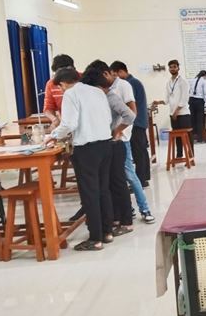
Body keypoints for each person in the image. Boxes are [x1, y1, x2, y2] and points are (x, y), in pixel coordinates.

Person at [46, 68, 114, 251]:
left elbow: (69, 124)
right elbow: (108, 118)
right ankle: (107, 232)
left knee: (90, 193)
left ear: (64, 83)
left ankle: (95, 238)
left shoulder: (71, 94)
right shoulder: (97, 91)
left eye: (59, 87)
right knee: (103, 189)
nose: (60, 91)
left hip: (87, 149)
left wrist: (52, 135)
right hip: (105, 144)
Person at [88, 60, 155, 224]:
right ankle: (125, 210)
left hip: (122, 138)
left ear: (108, 73)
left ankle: (145, 209)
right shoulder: (102, 90)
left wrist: (119, 130)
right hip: (107, 140)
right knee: (115, 179)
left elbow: (132, 111)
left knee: (130, 175)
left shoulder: (123, 86)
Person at [81, 67, 135, 237]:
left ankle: (127, 221)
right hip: (106, 145)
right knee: (109, 185)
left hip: (114, 144)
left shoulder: (110, 96)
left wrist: (117, 131)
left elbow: (130, 115)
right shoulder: (100, 96)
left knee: (118, 183)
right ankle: (116, 218)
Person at [109, 61, 151, 186]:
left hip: (135, 122)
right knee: (141, 151)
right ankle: (144, 178)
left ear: (121, 72)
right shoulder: (134, 82)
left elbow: (129, 106)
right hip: (139, 121)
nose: (114, 79)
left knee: (138, 152)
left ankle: (140, 180)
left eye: (115, 75)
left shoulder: (129, 83)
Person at [153, 59, 192, 157]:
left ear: (178, 68)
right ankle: (179, 154)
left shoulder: (183, 82)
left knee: (187, 136)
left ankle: (190, 154)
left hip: (183, 114)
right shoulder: (168, 83)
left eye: (174, 67)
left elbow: (184, 99)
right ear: (169, 69)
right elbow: (167, 100)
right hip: (173, 114)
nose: (172, 69)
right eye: (170, 67)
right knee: (177, 136)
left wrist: (176, 112)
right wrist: (159, 102)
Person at [43, 54, 77, 129]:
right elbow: (48, 108)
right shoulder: (51, 84)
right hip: (66, 125)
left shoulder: (83, 80)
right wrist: (54, 120)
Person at [188, 70, 206, 143]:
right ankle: (200, 138)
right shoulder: (204, 81)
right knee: (200, 120)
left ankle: (192, 138)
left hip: (191, 101)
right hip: (199, 102)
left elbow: (189, 91)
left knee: (192, 119)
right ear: (204, 76)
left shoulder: (192, 80)